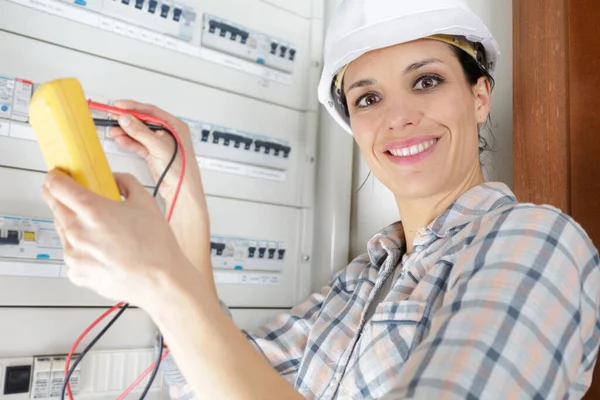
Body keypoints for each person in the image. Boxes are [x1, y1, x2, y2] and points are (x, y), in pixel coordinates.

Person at [41, 0, 600, 398]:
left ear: (480, 96)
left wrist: (158, 281)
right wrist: (186, 200)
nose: (397, 117)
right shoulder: (361, 279)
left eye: (426, 81)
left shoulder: (538, 243)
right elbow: (216, 376)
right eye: (368, 98)